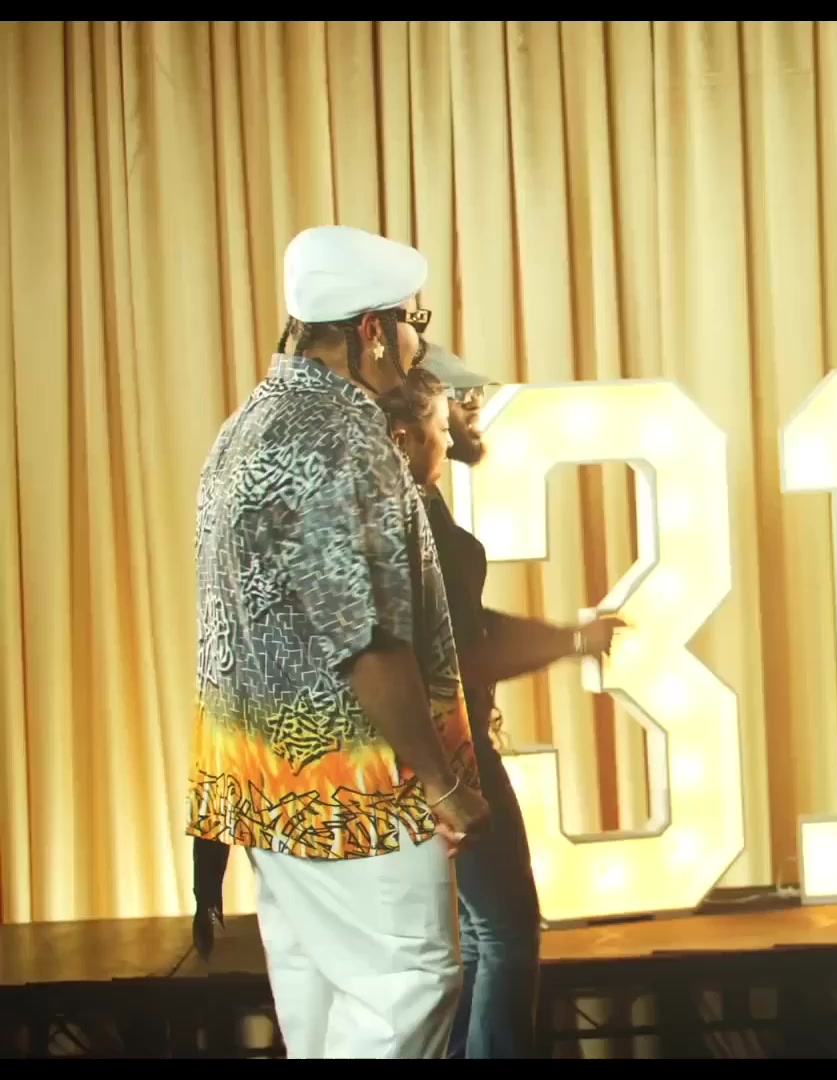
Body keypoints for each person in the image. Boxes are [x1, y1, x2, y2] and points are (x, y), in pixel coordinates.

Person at [185, 225, 488, 1058]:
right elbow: (365, 640)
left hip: (269, 787)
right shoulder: (340, 440)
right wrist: (441, 782)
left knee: (318, 998)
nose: (419, 343)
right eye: (413, 321)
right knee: (407, 983)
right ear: (371, 329)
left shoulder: (245, 426)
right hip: (352, 792)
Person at [379, 345, 626, 1058]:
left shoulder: (409, 512)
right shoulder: (419, 521)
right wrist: (570, 642)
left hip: (426, 749)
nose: (474, 408)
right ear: (411, 429)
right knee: (508, 934)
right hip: (452, 751)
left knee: (478, 935)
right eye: (456, 402)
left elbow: (472, 630)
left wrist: (568, 638)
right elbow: (468, 652)